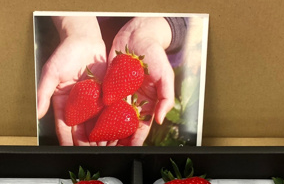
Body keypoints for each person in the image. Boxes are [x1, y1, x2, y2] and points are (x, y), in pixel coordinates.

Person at [36, 16, 185, 146]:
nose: (107, 99)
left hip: (155, 51)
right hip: (64, 43)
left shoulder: (138, 73)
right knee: (48, 129)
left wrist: (153, 29)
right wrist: (77, 27)